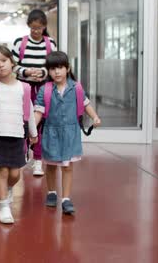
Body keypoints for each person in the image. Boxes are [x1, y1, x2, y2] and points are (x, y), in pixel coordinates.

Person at [33, 51, 101, 215]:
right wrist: (31, 129)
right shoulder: (45, 90)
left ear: (67, 68)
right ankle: (51, 192)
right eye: (52, 69)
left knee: (67, 167)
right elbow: (38, 112)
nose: (57, 72)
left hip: (71, 133)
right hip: (51, 133)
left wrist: (95, 117)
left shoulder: (76, 87)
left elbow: (86, 104)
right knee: (50, 166)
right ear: (48, 71)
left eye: (60, 68)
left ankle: (66, 198)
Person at [0, 45, 37, 224]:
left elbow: (29, 112)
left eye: (4, 61)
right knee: (2, 171)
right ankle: (4, 206)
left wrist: (33, 133)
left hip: (17, 135)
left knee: (15, 174)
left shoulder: (24, 87)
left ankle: (10, 188)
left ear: (12, 62)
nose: (1, 66)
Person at [11, 9, 57, 176]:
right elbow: (13, 66)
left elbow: (53, 66)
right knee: (24, 122)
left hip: (43, 89)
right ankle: (23, 155)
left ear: (44, 26)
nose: (36, 31)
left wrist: (42, 73)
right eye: (33, 28)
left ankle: (38, 160)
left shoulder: (50, 43)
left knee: (40, 124)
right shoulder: (19, 43)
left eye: (39, 28)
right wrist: (26, 72)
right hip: (24, 89)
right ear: (28, 26)